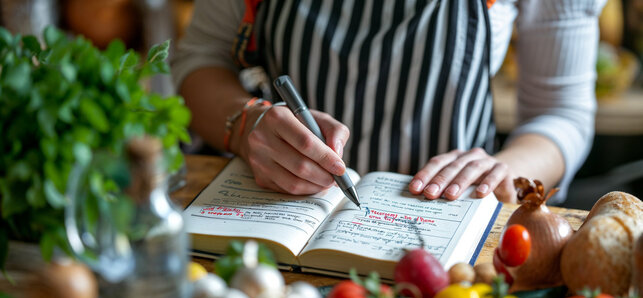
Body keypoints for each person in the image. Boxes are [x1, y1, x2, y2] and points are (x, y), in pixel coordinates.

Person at [172, 0, 605, 203]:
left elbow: (561, 112)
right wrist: (247, 125)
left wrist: (506, 169)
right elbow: (201, 58)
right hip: (273, 210)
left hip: (446, 225)